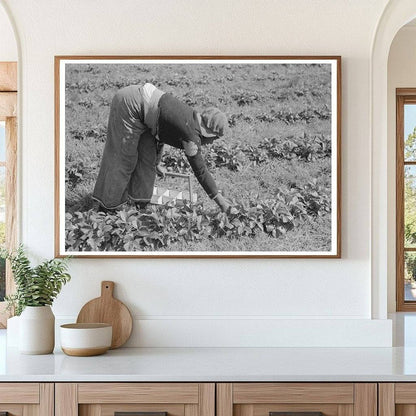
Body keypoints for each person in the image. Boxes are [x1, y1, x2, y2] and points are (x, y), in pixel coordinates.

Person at [92, 83, 230, 212]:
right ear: (209, 133)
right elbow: (201, 171)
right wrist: (222, 203)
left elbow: (162, 133)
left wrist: (157, 162)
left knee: (147, 159)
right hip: (129, 104)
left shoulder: (192, 120)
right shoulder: (191, 137)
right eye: (215, 138)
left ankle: (140, 202)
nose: (212, 143)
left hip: (145, 114)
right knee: (124, 159)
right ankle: (107, 208)